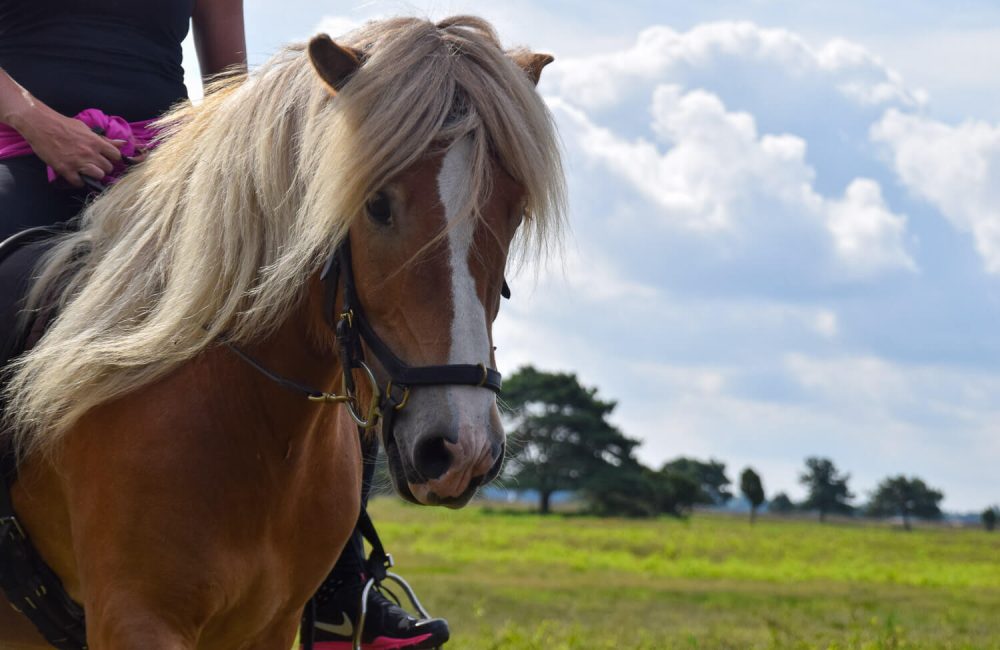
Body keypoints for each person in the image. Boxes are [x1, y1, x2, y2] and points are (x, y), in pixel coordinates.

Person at [0, 2, 448, 648]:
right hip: (23, 150)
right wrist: (38, 122)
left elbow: (229, 82)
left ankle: (340, 589)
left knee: (320, 308)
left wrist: (223, 171)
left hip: (166, 170)